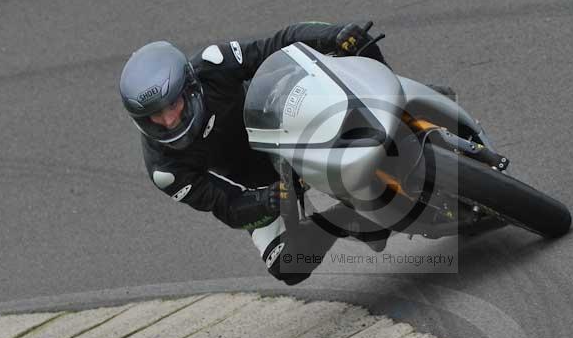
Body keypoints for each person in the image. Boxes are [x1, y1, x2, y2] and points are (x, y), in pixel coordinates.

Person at [119, 22, 391, 286]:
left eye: (174, 104)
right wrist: (266, 200)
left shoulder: (213, 65)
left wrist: (332, 35)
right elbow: (226, 207)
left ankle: (393, 110)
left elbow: (278, 43)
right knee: (287, 265)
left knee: (353, 41)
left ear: (190, 86)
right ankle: (342, 218)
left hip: (281, 121)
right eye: (156, 115)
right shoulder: (165, 170)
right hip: (259, 184)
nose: (169, 120)